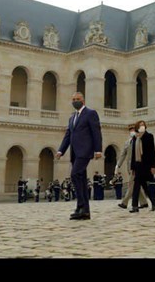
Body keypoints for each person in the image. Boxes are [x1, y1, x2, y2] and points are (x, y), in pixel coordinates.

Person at [56, 92, 103, 221]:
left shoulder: (90, 113)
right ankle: (84, 211)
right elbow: (68, 136)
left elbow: (96, 132)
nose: (75, 101)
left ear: (83, 100)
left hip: (85, 151)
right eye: (73, 99)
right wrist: (61, 150)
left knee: (74, 174)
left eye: (77, 99)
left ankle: (80, 205)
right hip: (75, 152)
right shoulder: (72, 117)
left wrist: (98, 150)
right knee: (81, 178)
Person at [129, 120, 155, 213]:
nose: (142, 126)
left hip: (146, 165)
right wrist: (132, 167)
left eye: (143, 125)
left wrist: (153, 166)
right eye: (140, 125)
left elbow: (152, 152)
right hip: (138, 165)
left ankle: (153, 202)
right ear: (137, 127)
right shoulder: (135, 138)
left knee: (146, 186)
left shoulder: (149, 136)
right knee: (136, 185)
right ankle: (135, 206)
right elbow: (133, 154)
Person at [117, 125, 148, 209]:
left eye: (133, 130)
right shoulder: (127, 142)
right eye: (130, 130)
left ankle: (124, 202)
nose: (132, 132)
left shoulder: (140, 141)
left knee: (131, 184)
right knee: (136, 184)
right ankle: (144, 202)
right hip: (129, 166)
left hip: (137, 166)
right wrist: (118, 165)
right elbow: (123, 154)